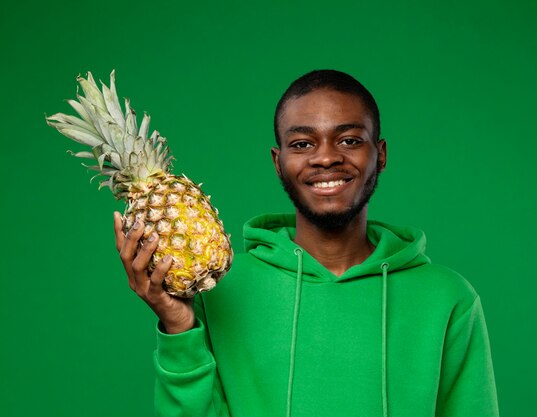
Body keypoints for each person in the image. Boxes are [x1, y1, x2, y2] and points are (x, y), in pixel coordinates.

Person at [114, 70, 499, 417]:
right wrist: (179, 324)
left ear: (379, 155)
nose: (327, 158)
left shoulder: (447, 298)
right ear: (277, 161)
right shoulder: (220, 289)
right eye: (302, 144)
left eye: (349, 140)